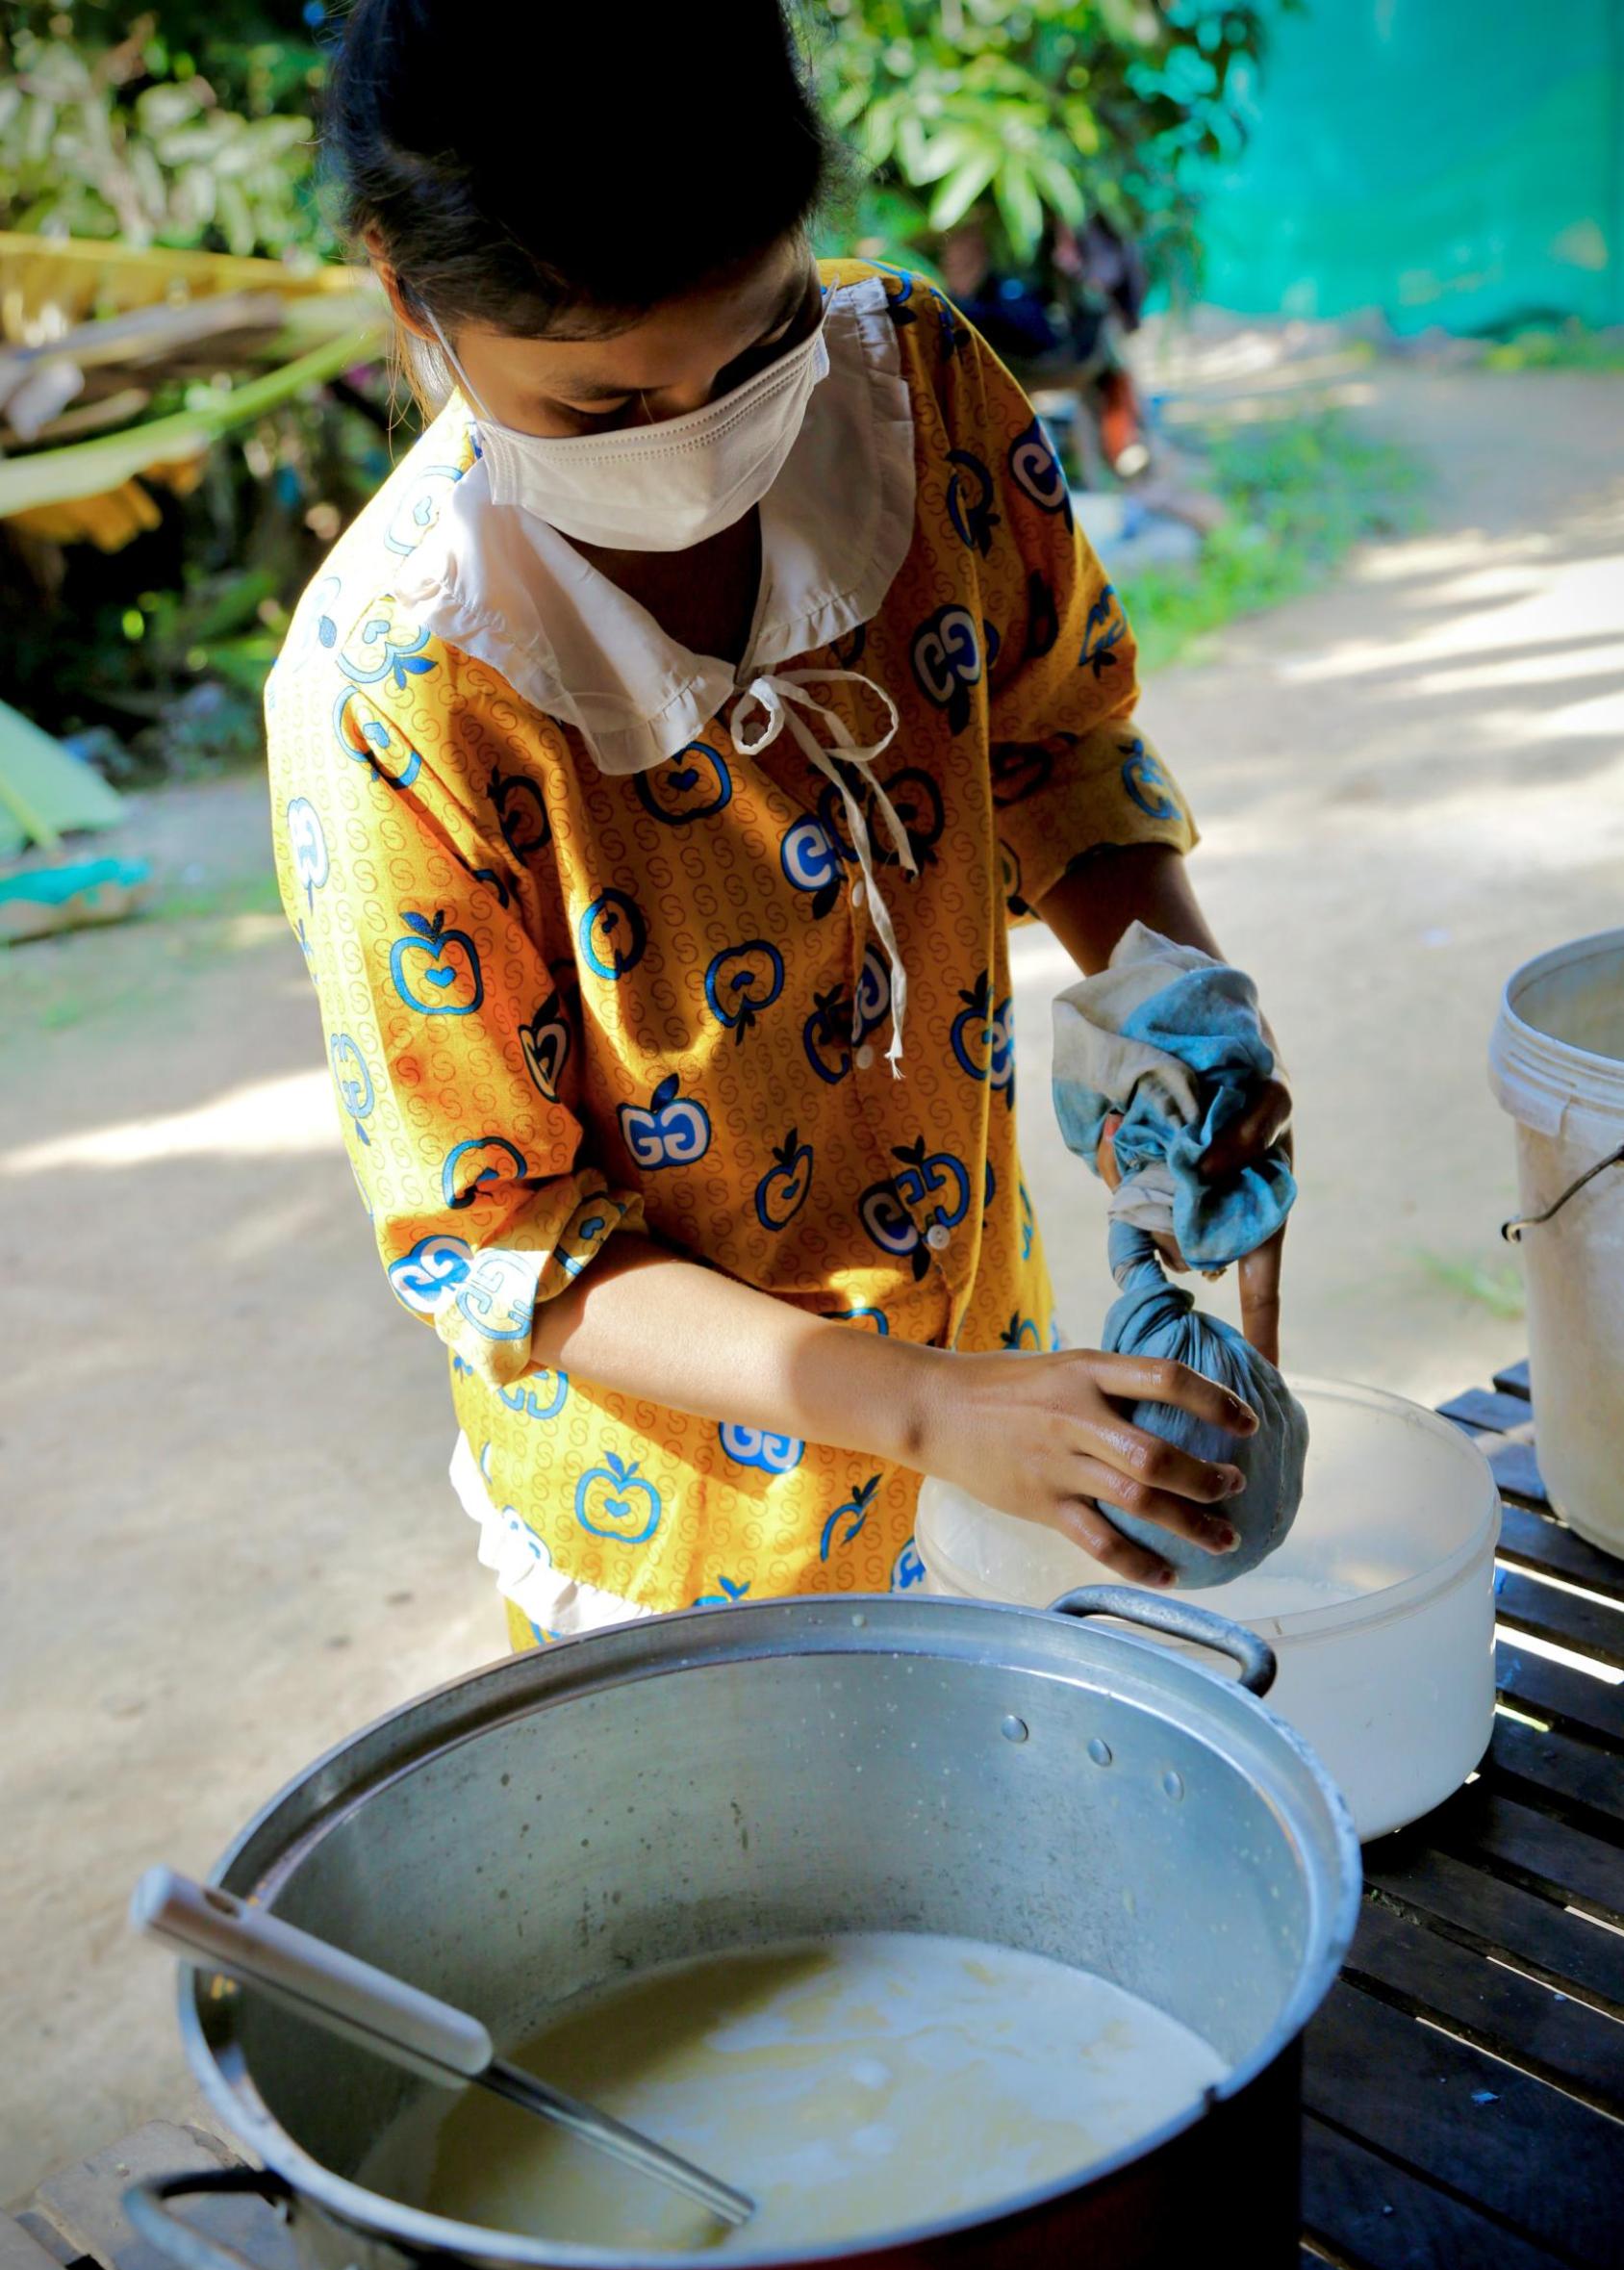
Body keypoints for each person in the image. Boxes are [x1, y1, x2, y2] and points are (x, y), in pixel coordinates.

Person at [267, 0, 1289, 1648]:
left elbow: (1053, 741)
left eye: (760, 350)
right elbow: (505, 1238)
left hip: (983, 1359)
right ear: (408, 294)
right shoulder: (402, 695)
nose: (702, 447)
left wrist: (1176, 994)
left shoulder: (924, 398)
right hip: (685, 1527)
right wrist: (925, 1407)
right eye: (601, 409)